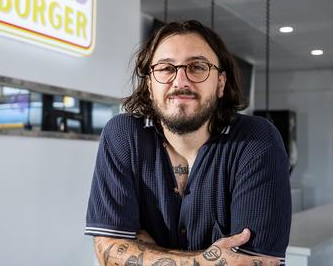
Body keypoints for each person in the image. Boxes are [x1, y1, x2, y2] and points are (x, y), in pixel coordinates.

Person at [85, 20, 291, 266]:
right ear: (149, 84)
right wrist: (205, 261)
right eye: (165, 68)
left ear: (221, 83)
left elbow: (258, 263)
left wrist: (144, 250)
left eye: (197, 67)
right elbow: (107, 252)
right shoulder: (123, 135)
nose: (180, 81)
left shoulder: (257, 140)